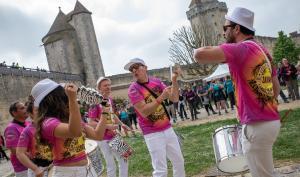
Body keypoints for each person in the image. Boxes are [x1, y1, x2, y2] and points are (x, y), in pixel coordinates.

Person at [193, 7, 281, 177]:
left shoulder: (239, 49)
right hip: (270, 120)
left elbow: (199, 55)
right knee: (265, 171)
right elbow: (275, 88)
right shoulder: (263, 51)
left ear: (236, 28)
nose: (224, 32)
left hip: (257, 124)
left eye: (225, 28)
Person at [31, 78, 107, 177]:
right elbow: (75, 132)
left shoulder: (70, 118)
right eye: (62, 93)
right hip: (67, 173)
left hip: (87, 170)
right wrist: (72, 100)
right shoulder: (47, 123)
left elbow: (98, 135)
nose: (65, 94)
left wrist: (105, 111)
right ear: (54, 98)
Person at [125, 58, 185, 177]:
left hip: (168, 129)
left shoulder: (156, 82)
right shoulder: (133, 89)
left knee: (179, 162)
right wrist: (161, 97)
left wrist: (174, 80)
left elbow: (175, 98)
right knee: (160, 170)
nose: (134, 70)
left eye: (137, 67)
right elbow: (144, 112)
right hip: (152, 133)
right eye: (132, 69)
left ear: (145, 68)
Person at [88, 77, 130, 177]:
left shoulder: (109, 100)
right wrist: (108, 126)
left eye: (109, 85)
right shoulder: (95, 102)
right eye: (105, 85)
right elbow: (90, 122)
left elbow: (112, 114)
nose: (108, 87)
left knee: (124, 158)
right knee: (111, 165)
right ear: (99, 89)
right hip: (102, 138)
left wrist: (121, 124)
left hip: (114, 136)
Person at [16, 98, 52, 177]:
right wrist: (35, 169)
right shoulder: (27, 131)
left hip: (53, 166)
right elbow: (19, 153)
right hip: (39, 169)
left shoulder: (51, 125)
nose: (42, 112)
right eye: (37, 110)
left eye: (43, 109)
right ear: (30, 113)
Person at [4, 102, 29, 177]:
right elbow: (14, 150)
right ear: (14, 113)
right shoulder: (11, 128)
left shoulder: (28, 123)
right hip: (23, 168)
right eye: (22, 108)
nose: (26, 109)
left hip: (34, 164)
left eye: (25, 107)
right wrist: (34, 155)